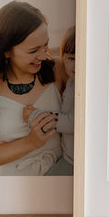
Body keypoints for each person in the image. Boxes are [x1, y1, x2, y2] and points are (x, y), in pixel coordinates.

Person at [0, 0, 65, 176]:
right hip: (12, 184)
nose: (43, 55)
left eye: (46, 45)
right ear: (6, 51)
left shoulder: (57, 70)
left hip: (60, 176)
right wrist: (31, 142)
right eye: (33, 50)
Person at [24, 25, 75, 175]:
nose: (77, 64)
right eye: (71, 58)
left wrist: (36, 116)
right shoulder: (71, 80)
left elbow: (73, 122)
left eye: (84, 58)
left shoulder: (85, 86)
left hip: (74, 159)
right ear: (63, 58)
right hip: (67, 153)